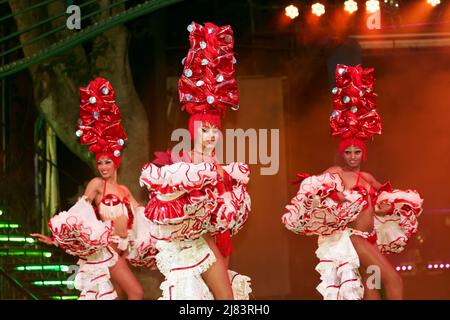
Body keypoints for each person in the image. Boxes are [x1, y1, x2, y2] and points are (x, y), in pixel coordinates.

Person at [282, 64, 423, 300]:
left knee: (372, 289)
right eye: (348, 152)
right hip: (352, 240)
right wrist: (337, 198)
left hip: (370, 240)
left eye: (357, 152)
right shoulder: (335, 172)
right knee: (393, 280)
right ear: (342, 153)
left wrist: (386, 207)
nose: (353, 157)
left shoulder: (367, 178)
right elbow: (314, 190)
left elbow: (384, 204)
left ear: (363, 153)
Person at [139, 21, 252, 300]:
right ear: (193, 130)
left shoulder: (220, 164)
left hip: (217, 241)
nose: (212, 135)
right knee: (225, 299)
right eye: (206, 129)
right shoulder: (184, 162)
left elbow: (227, 213)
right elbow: (167, 202)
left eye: (215, 129)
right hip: (195, 244)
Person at [31, 77, 146, 300]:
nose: (102, 167)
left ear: (116, 162)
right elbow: (77, 215)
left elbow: (145, 217)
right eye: (99, 162)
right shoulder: (96, 184)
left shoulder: (124, 190)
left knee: (118, 295)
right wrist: (56, 238)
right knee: (137, 293)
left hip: (121, 250)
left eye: (107, 162)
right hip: (107, 251)